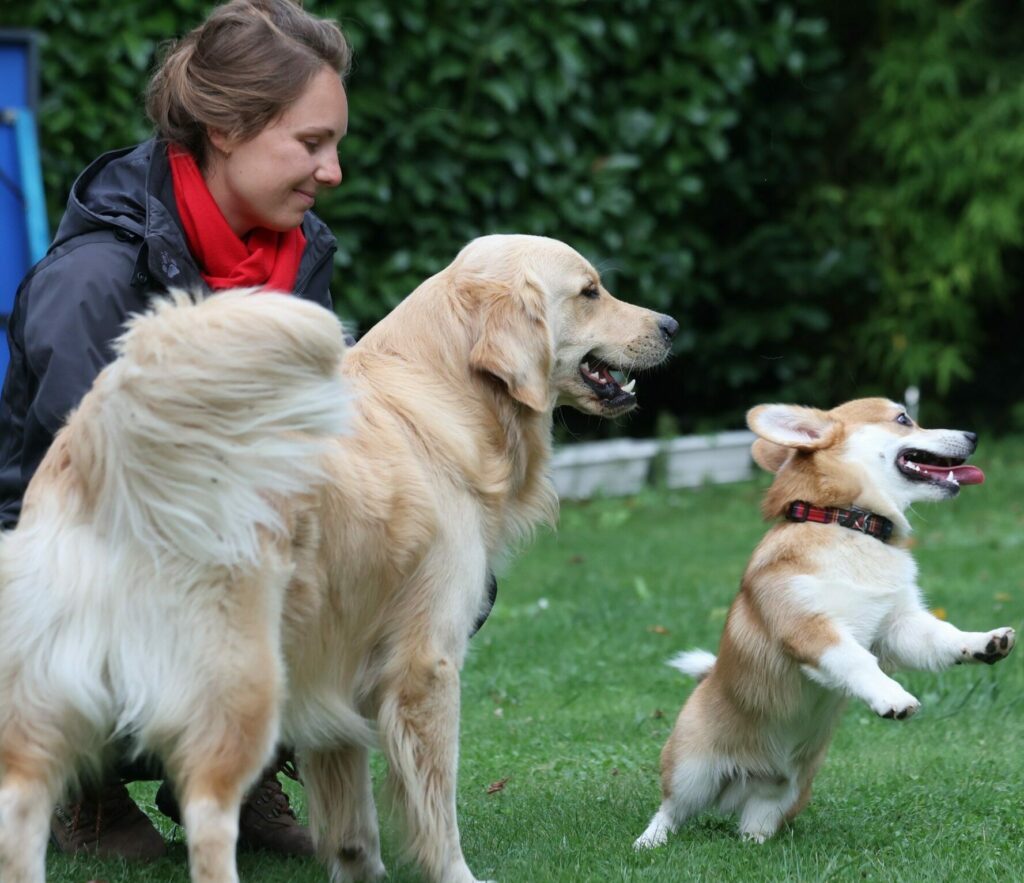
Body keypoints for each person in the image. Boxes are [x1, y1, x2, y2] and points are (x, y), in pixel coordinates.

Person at [0, 0, 351, 861]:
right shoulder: (92, 277)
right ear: (226, 130)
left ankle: (245, 758)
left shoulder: (296, 254)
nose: (332, 171)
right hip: (81, 544)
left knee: (411, 558)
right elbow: (100, 486)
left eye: (335, 144)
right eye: (311, 144)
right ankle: (86, 782)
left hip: (226, 535)